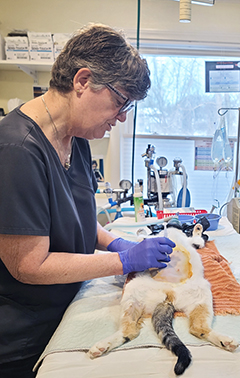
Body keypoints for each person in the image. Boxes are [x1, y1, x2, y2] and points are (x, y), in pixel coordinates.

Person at [0, 24, 176, 378]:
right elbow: (29, 266)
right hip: (24, 336)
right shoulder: (17, 151)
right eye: (120, 101)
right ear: (83, 81)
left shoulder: (76, 138)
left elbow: (78, 216)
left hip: (67, 307)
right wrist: (121, 260)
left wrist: (115, 240)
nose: (122, 116)